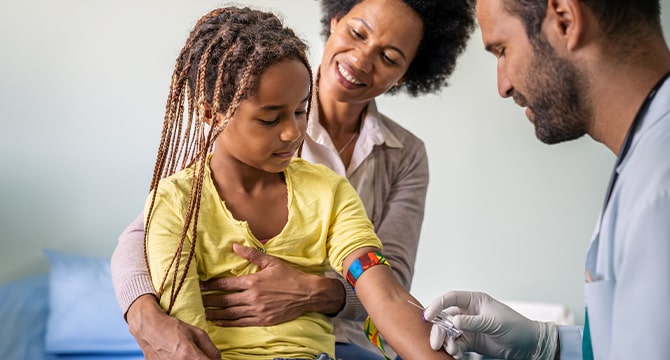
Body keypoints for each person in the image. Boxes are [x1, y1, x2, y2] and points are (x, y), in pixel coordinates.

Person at [111, 0, 475, 359]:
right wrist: (144, 315)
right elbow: (148, 235)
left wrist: (313, 292)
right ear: (336, 21)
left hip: (346, 340)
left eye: (390, 58)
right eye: (357, 33)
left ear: (406, 73)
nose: (361, 60)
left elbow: (388, 285)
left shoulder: (366, 173)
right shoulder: (200, 175)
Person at [424, 0, 670, 359]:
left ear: (566, 20)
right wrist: (550, 344)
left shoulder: (659, 188)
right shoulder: (646, 157)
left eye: (502, 50)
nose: (503, 86)